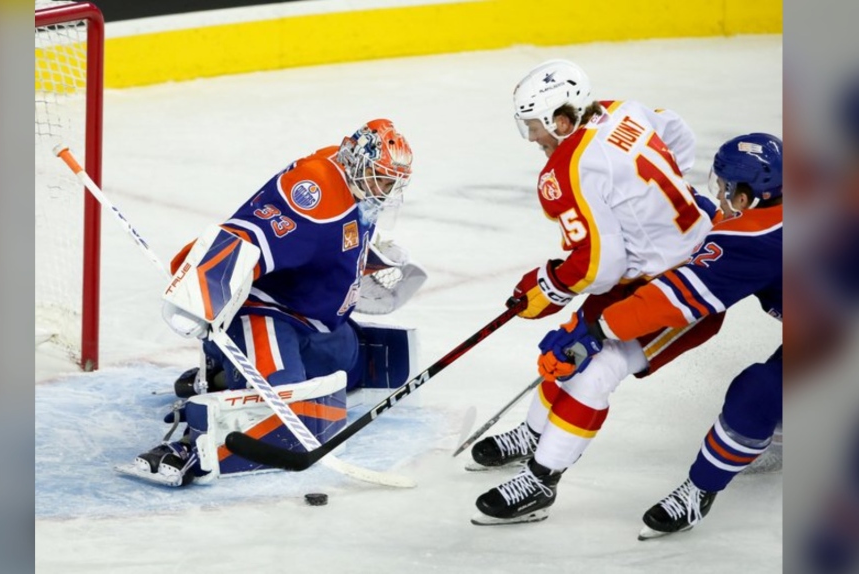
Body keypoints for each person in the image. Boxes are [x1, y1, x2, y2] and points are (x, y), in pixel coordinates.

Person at [469, 59, 724, 525]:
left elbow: (598, 269)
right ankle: (534, 433)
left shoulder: (567, 170)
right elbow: (678, 133)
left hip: (689, 290)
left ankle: (541, 481)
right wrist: (664, 208)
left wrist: (546, 286)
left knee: (595, 370)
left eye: (535, 126)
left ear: (562, 120)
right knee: (569, 347)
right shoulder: (623, 109)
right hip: (653, 268)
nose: (533, 139)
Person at [121, 119, 427, 487]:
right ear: (356, 163)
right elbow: (247, 233)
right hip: (267, 313)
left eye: (392, 181)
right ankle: (188, 448)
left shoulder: (359, 187)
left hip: (319, 322)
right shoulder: (314, 190)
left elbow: (327, 240)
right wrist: (201, 286)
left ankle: (220, 372)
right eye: (380, 178)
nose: (386, 189)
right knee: (282, 412)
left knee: (350, 372)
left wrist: (365, 259)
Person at [528, 133, 783, 538]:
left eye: (726, 189)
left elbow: (673, 301)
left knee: (758, 394)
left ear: (750, 196)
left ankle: (701, 489)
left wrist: (595, 330)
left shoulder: (753, 242)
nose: (719, 195)